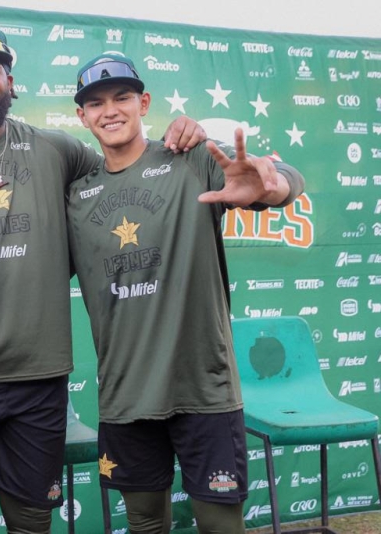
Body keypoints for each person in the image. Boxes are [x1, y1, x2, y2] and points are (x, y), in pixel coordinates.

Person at [0, 23, 206, 533]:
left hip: (37, 379)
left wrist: (184, 137)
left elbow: (126, 171)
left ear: (10, 80)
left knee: (32, 521)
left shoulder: (56, 148)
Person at [66, 53, 305, 533]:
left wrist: (270, 187)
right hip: (126, 396)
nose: (110, 110)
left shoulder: (192, 158)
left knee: (221, 527)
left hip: (205, 390)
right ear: (82, 116)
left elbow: (284, 181)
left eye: (122, 97)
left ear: (143, 102)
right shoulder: (75, 195)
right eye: (96, 103)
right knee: (144, 525)